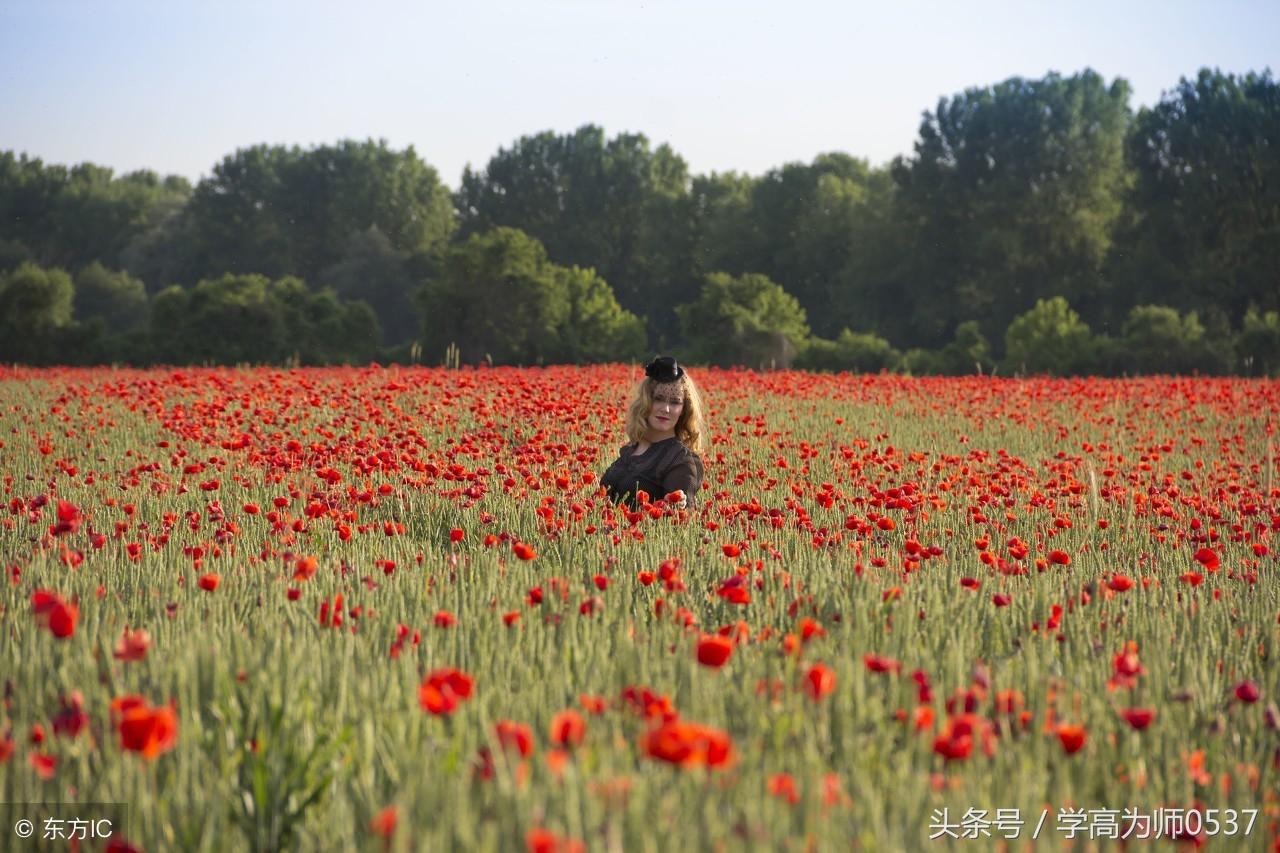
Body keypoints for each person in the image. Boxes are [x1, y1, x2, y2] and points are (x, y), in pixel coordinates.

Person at [600, 356, 706, 510]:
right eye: (659, 399)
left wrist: (675, 506)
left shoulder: (680, 461)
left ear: (683, 410)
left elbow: (677, 520)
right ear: (646, 401)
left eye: (675, 402)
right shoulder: (631, 450)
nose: (666, 409)